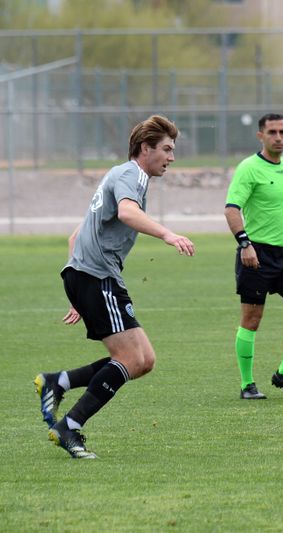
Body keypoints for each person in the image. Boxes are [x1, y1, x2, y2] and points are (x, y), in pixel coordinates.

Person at [34, 115, 195, 459]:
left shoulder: (118, 174)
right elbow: (126, 213)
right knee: (130, 359)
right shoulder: (130, 174)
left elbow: (75, 236)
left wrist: (78, 291)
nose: (171, 157)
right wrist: (168, 234)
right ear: (144, 148)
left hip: (87, 276)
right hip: (97, 277)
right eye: (166, 149)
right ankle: (70, 426)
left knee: (143, 359)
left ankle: (57, 382)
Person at [224, 113, 283, 400]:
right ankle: (247, 385)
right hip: (256, 254)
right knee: (252, 319)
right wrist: (245, 244)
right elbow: (231, 208)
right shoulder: (249, 168)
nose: (278, 137)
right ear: (260, 136)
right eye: (272, 132)